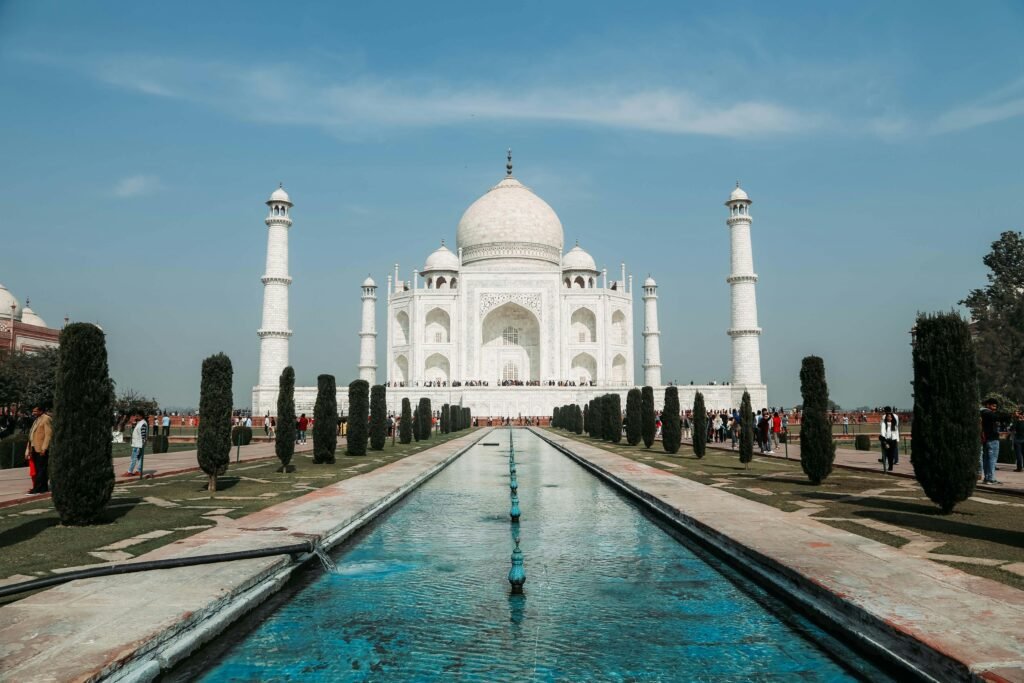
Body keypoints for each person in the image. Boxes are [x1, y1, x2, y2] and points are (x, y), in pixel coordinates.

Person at [24, 404, 52, 494]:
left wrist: (44, 448)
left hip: (41, 449)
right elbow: (32, 435)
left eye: (35, 411)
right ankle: (43, 488)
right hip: (34, 448)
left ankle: (36, 488)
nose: (33, 413)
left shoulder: (46, 419)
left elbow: (48, 435)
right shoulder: (36, 420)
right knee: (38, 469)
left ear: (41, 411)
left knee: (41, 469)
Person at [980, 398, 1006, 484]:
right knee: (992, 459)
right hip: (993, 439)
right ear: (988, 405)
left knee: (987, 459)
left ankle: (987, 478)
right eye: (993, 406)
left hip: (986, 439)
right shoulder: (989, 413)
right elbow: (1000, 418)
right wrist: (1011, 415)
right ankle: (991, 478)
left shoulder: (982, 413)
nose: (995, 408)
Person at [126, 411, 148, 477]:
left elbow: (143, 435)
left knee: (134, 458)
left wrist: (143, 443)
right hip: (137, 444)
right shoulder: (140, 423)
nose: (136, 417)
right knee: (139, 458)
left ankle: (130, 471)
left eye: (137, 416)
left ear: (141, 416)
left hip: (138, 444)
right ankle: (139, 471)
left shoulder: (143, 423)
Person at [879, 407, 899, 472]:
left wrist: (897, 439)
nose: (889, 418)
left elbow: (896, 432)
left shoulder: (894, 424)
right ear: (886, 417)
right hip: (886, 440)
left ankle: (890, 467)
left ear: (892, 417)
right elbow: (882, 431)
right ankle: (886, 465)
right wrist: (884, 440)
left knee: (892, 454)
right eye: (888, 417)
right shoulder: (884, 423)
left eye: (890, 417)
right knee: (887, 454)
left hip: (893, 440)